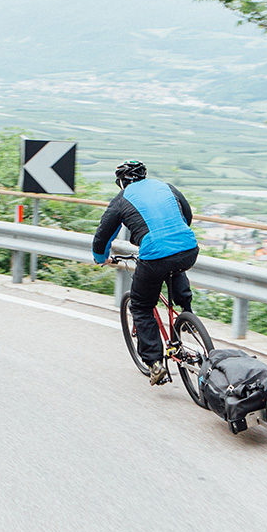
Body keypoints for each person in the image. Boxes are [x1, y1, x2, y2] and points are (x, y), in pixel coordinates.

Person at [92, 160, 198, 385]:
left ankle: (155, 363)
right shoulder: (166, 186)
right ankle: (187, 311)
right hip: (189, 248)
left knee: (140, 305)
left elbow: (103, 236)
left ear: (121, 182)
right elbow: (186, 214)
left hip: (155, 256)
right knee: (174, 266)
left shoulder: (122, 199)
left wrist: (101, 259)